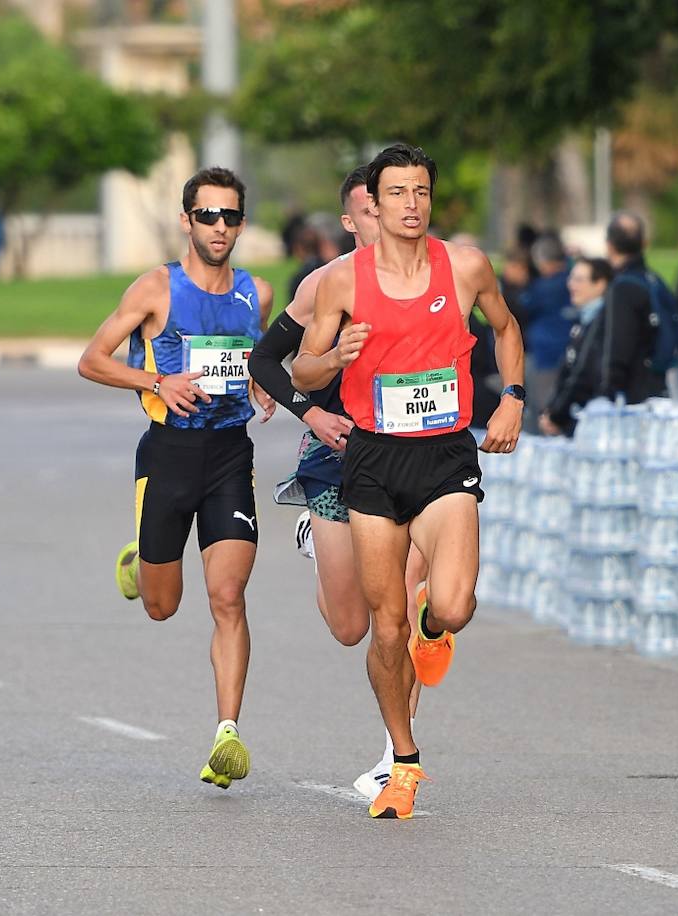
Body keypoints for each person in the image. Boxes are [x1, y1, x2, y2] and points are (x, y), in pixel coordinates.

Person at [292, 143, 525, 819]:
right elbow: (302, 374)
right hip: (371, 459)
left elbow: (506, 330)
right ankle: (403, 761)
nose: (411, 205)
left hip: (444, 457)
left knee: (450, 607)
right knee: (383, 629)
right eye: (397, 193)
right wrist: (335, 355)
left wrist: (511, 397)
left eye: (421, 191)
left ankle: (437, 624)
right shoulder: (341, 280)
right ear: (375, 201)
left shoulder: (465, 267)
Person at [77, 166, 275, 790]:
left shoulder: (257, 293)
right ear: (186, 221)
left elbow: (258, 358)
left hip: (228, 457)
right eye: (208, 215)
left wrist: (263, 382)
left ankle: (227, 735)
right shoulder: (155, 288)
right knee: (163, 607)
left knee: (228, 597)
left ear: (242, 223)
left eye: (231, 216)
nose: (220, 227)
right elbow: (92, 361)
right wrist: (157, 381)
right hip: (167, 456)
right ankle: (141, 558)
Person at [247, 166, 430, 800]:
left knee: (400, 613)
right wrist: (313, 411)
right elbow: (267, 362)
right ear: (354, 220)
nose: (390, 217)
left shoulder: (432, 274)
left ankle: (395, 754)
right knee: (352, 625)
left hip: (411, 460)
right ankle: (311, 535)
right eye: (372, 210)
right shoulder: (325, 285)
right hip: (334, 457)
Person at [599, 211, 672, 404]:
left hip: (633, 391)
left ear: (609, 245)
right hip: (657, 379)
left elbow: (618, 345)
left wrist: (607, 391)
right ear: (644, 243)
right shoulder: (654, 280)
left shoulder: (622, 287)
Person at [540, 257, 612, 437]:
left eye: (579, 280)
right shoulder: (582, 322)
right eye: (571, 278)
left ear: (600, 284)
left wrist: (557, 415)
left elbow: (584, 374)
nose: (571, 285)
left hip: (590, 423)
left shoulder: (603, 324)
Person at [519, 233, 573, 430]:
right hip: (570, 353)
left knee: (543, 411)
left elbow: (524, 306)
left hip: (546, 356)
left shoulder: (542, 288)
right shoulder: (573, 278)